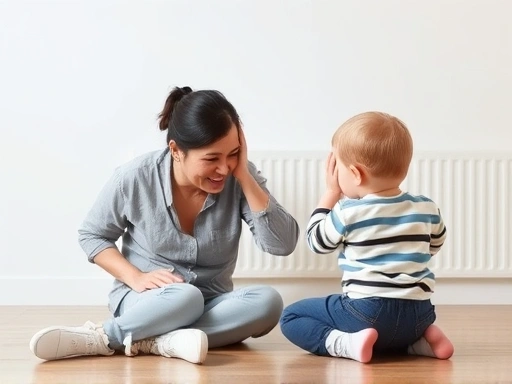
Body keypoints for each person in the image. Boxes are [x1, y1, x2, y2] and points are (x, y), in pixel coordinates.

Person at [30, 86, 300, 364]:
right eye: (211, 158)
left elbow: (282, 244)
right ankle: (104, 337)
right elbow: (92, 235)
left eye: (233, 154)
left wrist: (244, 174)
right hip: (151, 300)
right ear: (176, 151)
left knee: (268, 302)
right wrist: (135, 276)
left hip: (213, 303)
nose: (224, 168)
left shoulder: (238, 176)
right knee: (186, 298)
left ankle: (157, 341)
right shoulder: (135, 177)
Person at [279, 111, 454, 363]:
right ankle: (420, 341)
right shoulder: (426, 207)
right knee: (394, 329)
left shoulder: (348, 211)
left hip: (367, 312)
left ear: (356, 174)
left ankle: (347, 344)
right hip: (419, 314)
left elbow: (315, 241)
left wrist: (330, 193)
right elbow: (434, 245)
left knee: (291, 317)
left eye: (337, 166)